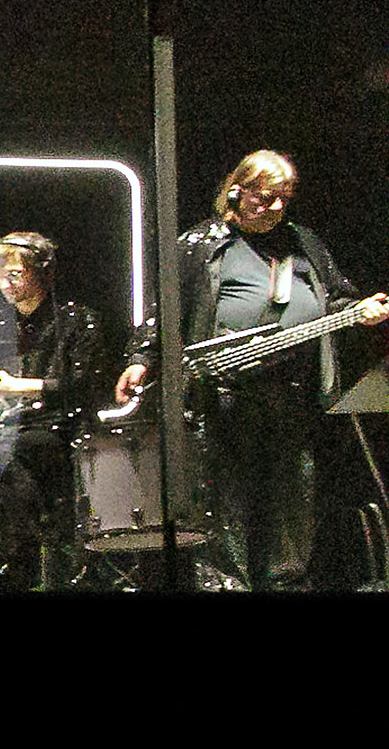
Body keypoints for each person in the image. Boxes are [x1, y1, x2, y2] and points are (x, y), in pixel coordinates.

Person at [115, 150, 389, 590]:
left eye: (284, 198)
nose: (276, 207)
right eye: (265, 198)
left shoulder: (303, 243)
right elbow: (164, 310)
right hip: (226, 397)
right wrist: (140, 360)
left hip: (295, 395)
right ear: (236, 192)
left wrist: (360, 310)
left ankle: (285, 583)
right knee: (229, 503)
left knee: (291, 503)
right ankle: (230, 584)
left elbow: (336, 297)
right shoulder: (201, 243)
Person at [0, 230, 114, 589]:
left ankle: (23, 562)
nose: (5, 285)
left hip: (63, 430)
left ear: (43, 272)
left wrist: (26, 387)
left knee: (15, 456)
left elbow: (88, 385)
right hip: (12, 430)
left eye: (14, 275)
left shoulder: (76, 320)